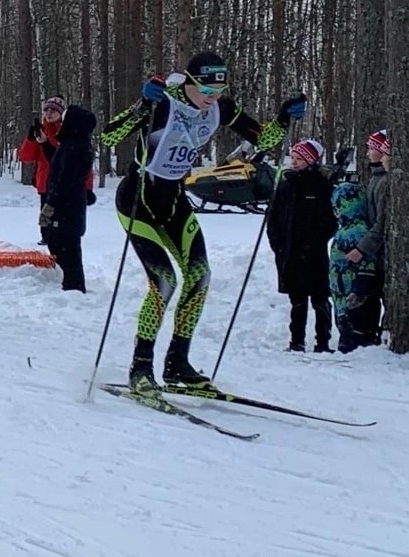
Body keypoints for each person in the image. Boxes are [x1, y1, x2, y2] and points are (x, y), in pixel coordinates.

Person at [98, 51, 267, 389]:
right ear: (190, 83)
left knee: (200, 276)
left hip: (174, 200)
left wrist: (283, 118)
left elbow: (264, 137)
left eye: (218, 90)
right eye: (206, 90)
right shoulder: (163, 103)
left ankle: (177, 363)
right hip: (138, 200)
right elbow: (108, 136)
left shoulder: (220, 108)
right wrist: (141, 106)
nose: (212, 98)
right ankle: (141, 367)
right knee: (164, 281)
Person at [267, 138, 335, 351]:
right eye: (293, 158)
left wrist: (316, 240)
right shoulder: (285, 185)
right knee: (296, 298)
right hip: (289, 251)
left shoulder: (323, 186)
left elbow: (330, 221)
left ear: (311, 160)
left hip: (314, 253)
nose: (294, 162)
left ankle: (322, 341)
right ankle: (296, 341)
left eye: (299, 159)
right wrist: (277, 243)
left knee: (320, 297)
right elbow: (274, 217)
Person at [39, 103, 97, 292]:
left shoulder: (75, 146)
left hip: (67, 206)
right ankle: (70, 283)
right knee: (58, 242)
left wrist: (51, 203)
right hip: (68, 204)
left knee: (68, 247)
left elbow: (65, 178)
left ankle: (74, 287)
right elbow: (57, 164)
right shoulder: (71, 144)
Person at [327, 178, 375, 353]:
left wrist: (361, 285)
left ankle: (352, 347)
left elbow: (367, 260)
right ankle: (346, 344)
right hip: (340, 286)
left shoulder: (357, 230)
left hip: (350, 287)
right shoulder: (344, 229)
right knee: (342, 319)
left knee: (351, 322)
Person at [18, 98, 67, 192]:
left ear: (61, 113)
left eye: (52, 111)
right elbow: (26, 158)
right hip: (44, 184)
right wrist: (30, 140)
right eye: (46, 110)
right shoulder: (41, 131)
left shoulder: (67, 132)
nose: (48, 114)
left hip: (64, 186)